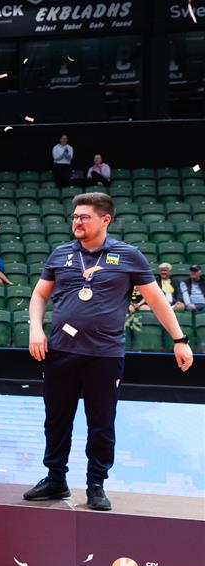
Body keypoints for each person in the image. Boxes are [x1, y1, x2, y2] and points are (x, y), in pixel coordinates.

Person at [25, 192, 193, 510]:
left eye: (84, 217)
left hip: (104, 355)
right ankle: (55, 479)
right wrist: (36, 327)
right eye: (75, 216)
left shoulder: (128, 255)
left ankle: (96, 484)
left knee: (101, 423)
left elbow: (156, 300)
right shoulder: (61, 254)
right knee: (56, 420)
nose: (77, 222)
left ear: (105, 219)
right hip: (61, 351)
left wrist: (180, 339)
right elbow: (39, 295)